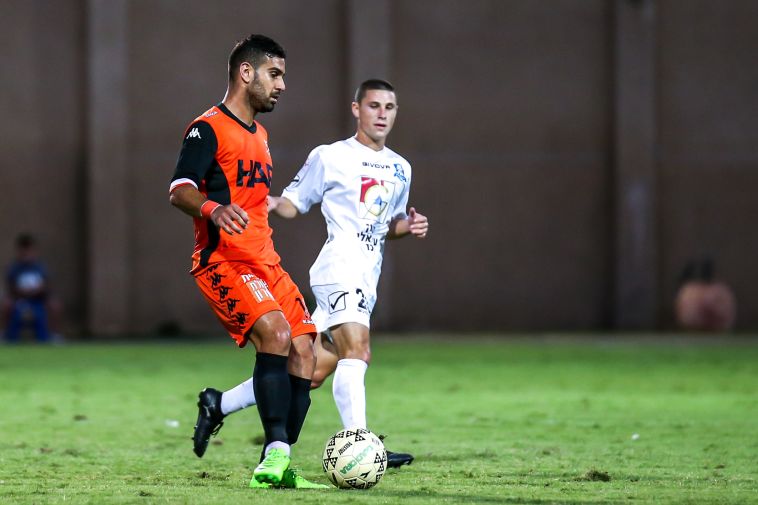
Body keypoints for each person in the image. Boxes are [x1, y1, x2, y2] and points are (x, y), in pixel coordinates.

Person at [192, 79, 429, 469]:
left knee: (309, 370)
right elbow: (295, 202)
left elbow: (386, 224)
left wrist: (409, 226)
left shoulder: (401, 167)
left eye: (389, 107)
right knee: (358, 350)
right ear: (356, 109)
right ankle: (362, 445)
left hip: (366, 275)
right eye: (373, 106)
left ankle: (219, 403)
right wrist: (271, 203)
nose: (382, 114)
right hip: (339, 268)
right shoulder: (331, 156)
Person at [169, 34, 327, 490]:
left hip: (265, 261)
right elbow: (179, 189)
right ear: (246, 72)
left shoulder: (261, 135)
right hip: (224, 261)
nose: (281, 85)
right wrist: (213, 208)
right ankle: (273, 457)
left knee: (306, 353)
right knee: (276, 335)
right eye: (274, 74)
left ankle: (276, 460)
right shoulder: (206, 128)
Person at [3, 233, 61, 343]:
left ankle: (54, 334)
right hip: (18, 299)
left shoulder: (40, 267)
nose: (27, 254)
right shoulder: (14, 268)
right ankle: (5, 333)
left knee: (54, 304)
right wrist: (22, 292)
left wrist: (37, 290)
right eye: (24, 251)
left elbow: (46, 285)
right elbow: (11, 287)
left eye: (29, 251)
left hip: (38, 299)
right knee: (6, 303)